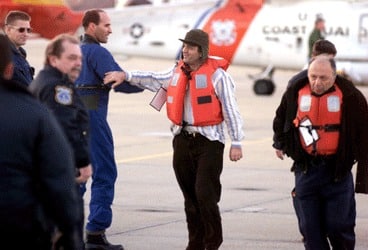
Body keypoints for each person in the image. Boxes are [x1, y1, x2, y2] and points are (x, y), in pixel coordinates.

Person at [106, 29, 245, 250]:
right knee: (190, 198)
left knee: (205, 195)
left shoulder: (218, 76)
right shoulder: (177, 72)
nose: (185, 50)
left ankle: (212, 243)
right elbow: (153, 79)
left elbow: (231, 109)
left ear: (202, 51)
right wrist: (126, 75)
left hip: (209, 142)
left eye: (190, 47)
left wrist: (236, 142)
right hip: (182, 140)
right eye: (184, 46)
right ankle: (195, 244)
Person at [272, 56, 368, 249]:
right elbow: (280, 120)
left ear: (334, 75)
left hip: (337, 172)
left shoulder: (350, 96)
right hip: (307, 170)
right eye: (313, 76)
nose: (317, 82)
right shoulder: (294, 92)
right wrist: (281, 144)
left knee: (339, 226)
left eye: (323, 78)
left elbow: (364, 133)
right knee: (310, 230)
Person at [0, 34, 83, 249]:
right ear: (9, 70)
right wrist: (68, 229)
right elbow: (57, 177)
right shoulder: (33, 114)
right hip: (18, 224)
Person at [75, 8, 143, 250]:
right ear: (91, 27)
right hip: (93, 119)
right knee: (104, 174)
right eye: (106, 25)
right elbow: (118, 82)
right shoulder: (97, 52)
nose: (110, 30)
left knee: (76, 177)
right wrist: (145, 83)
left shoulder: (73, 51)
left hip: (70, 120)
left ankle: (67, 230)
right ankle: (95, 233)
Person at [29, 33, 93, 248]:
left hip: (43, 173)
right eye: (71, 58)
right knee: (68, 235)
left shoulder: (42, 82)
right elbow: (65, 128)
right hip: (60, 173)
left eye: (80, 59)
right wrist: (82, 162)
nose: (78, 64)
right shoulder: (58, 88)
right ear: (53, 59)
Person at [4, 10, 34, 86]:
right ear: (8, 30)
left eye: (28, 30)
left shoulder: (21, 54)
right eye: (21, 30)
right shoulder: (3, 55)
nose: (26, 34)